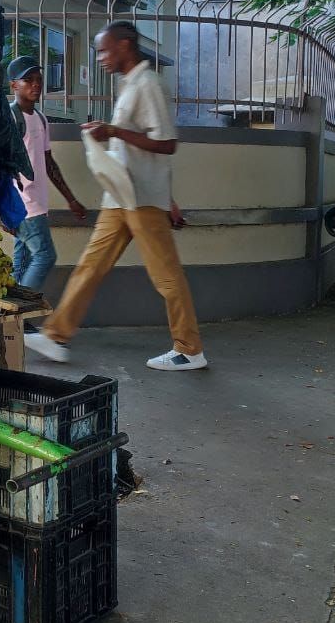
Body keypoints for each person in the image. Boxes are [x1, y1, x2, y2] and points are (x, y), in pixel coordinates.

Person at [26, 21, 207, 371]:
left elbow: (167, 143)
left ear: (125, 45)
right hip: (120, 197)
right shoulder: (129, 85)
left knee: (166, 277)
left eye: (104, 50)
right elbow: (136, 149)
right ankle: (55, 336)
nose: (100, 58)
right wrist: (107, 134)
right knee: (90, 267)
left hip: (141, 200)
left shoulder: (148, 84)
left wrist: (113, 131)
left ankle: (190, 349)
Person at [4, 56, 85, 291]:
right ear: (13, 85)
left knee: (22, 263)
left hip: (37, 204)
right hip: (24, 205)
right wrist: (4, 210)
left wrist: (70, 199)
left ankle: (14, 320)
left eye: (38, 80)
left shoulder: (40, 118)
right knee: (45, 256)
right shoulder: (10, 118)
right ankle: (23, 312)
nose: (35, 85)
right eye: (28, 80)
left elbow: (49, 163)